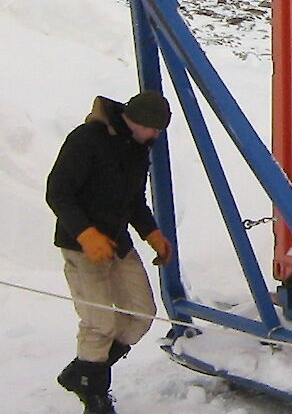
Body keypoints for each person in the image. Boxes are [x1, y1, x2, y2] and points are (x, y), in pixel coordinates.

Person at [46, 91, 175, 414]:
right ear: (137, 122)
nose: (156, 137)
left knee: (142, 313)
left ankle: (84, 371)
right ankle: (95, 395)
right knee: (100, 323)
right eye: (154, 129)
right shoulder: (86, 140)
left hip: (117, 243)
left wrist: (152, 234)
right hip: (81, 247)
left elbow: (133, 201)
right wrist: (86, 234)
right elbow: (58, 193)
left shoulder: (138, 149)